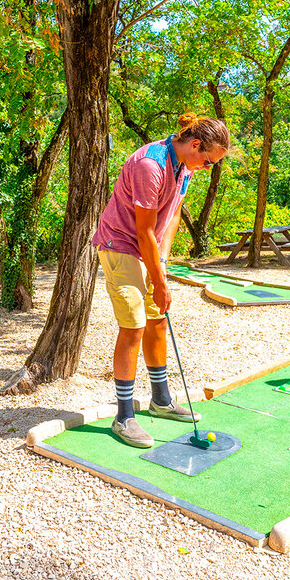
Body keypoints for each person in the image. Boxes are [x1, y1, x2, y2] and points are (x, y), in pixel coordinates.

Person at [91, 112, 230, 447]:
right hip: (121, 245)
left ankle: (161, 401)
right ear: (195, 145)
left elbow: (170, 220)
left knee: (157, 321)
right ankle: (124, 417)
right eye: (209, 161)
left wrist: (162, 267)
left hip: (148, 248)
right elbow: (142, 231)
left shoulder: (184, 168)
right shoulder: (149, 166)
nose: (207, 168)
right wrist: (161, 282)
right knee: (134, 324)